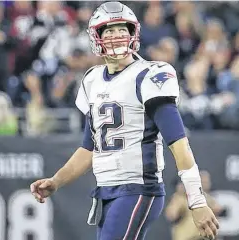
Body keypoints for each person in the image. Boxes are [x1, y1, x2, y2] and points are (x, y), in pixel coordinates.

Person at [30, 2, 219, 240]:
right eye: (108, 30)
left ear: (133, 34)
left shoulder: (148, 76)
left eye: (122, 29)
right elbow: (89, 148)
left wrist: (197, 200)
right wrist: (56, 181)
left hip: (138, 188)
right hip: (107, 190)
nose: (116, 35)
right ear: (96, 37)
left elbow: (179, 143)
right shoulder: (92, 80)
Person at [165, 171, 222, 240]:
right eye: (203, 181)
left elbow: (217, 209)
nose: (205, 184)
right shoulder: (180, 197)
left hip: (203, 236)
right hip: (187, 237)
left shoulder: (206, 197)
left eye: (206, 181)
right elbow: (171, 214)